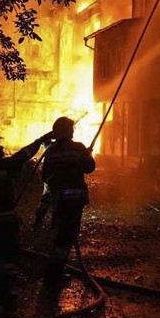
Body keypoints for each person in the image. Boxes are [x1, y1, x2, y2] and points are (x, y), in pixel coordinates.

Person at [0, 131, 51, 308]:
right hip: (4, 221)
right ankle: (4, 293)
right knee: (7, 257)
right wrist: (40, 140)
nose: (1, 148)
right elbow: (22, 156)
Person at [39, 117, 96, 291]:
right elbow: (89, 167)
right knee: (65, 238)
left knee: (61, 235)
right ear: (69, 131)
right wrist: (87, 154)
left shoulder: (50, 152)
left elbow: (45, 176)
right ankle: (54, 275)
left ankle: (55, 272)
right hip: (74, 202)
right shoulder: (77, 147)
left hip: (59, 202)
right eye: (71, 129)